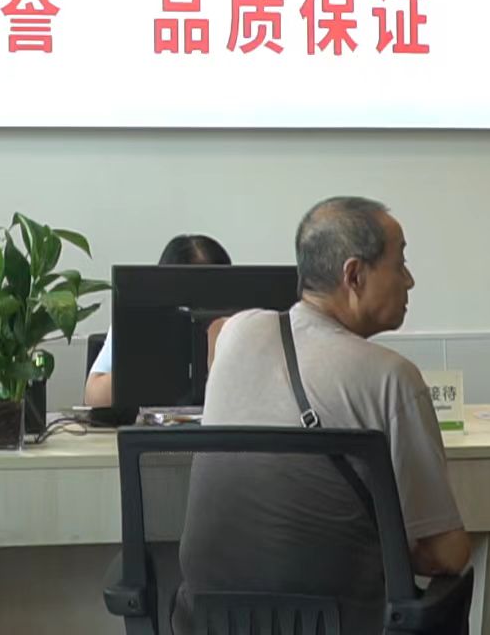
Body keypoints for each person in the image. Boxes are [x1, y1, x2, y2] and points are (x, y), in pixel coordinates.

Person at [176, 197, 470, 632]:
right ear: (354, 275)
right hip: (345, 622)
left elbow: (218, 332)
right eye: (400, 263)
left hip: (210, 622)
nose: (409, 280)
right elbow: (445, 554)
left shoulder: (233, 332)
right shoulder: (392, 378)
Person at [84, 233, 231, 407]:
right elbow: (93, 397)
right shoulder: (138, 321)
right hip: (153, 422)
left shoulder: (240, 327)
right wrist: (150, 361)